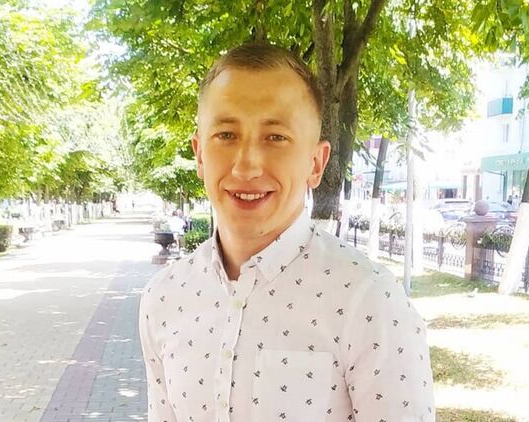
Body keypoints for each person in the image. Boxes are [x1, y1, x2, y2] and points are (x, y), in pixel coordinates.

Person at [139, 43, 434, 422]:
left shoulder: (369, 301)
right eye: (226, 135)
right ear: (199, 154)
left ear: (316, 163)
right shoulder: (164, 297)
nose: (246, 166)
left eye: (275, 137)